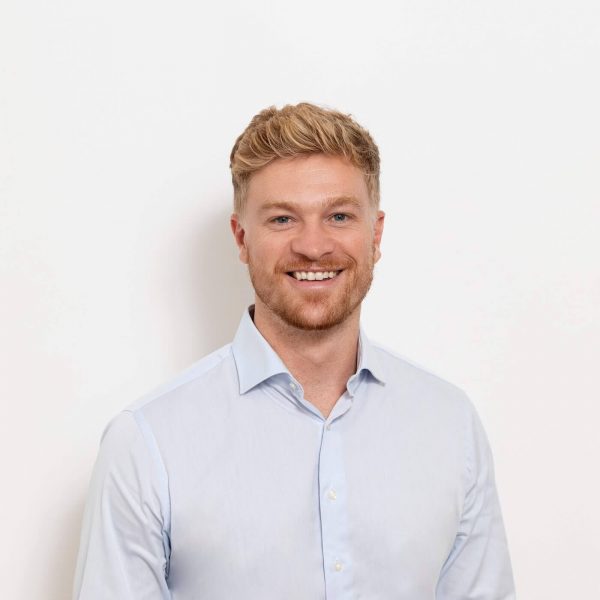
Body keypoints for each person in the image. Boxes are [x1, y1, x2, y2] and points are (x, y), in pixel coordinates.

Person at [73, 103, 516, 599]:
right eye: (283, 219)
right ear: (242, 238)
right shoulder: (146, 443)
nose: (313, 246)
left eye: (339, 216)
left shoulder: (450, 425)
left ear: (376, 234)